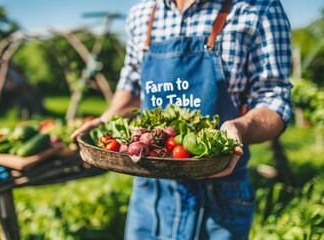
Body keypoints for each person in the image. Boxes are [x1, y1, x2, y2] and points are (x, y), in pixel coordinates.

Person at [71, 0, 293, 239]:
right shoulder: (141, 14)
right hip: (151, 189)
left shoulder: (259, 8)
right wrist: (105, 120)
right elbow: (132, 87)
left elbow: (275, 100)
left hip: (221, 193)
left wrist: (239, 127)